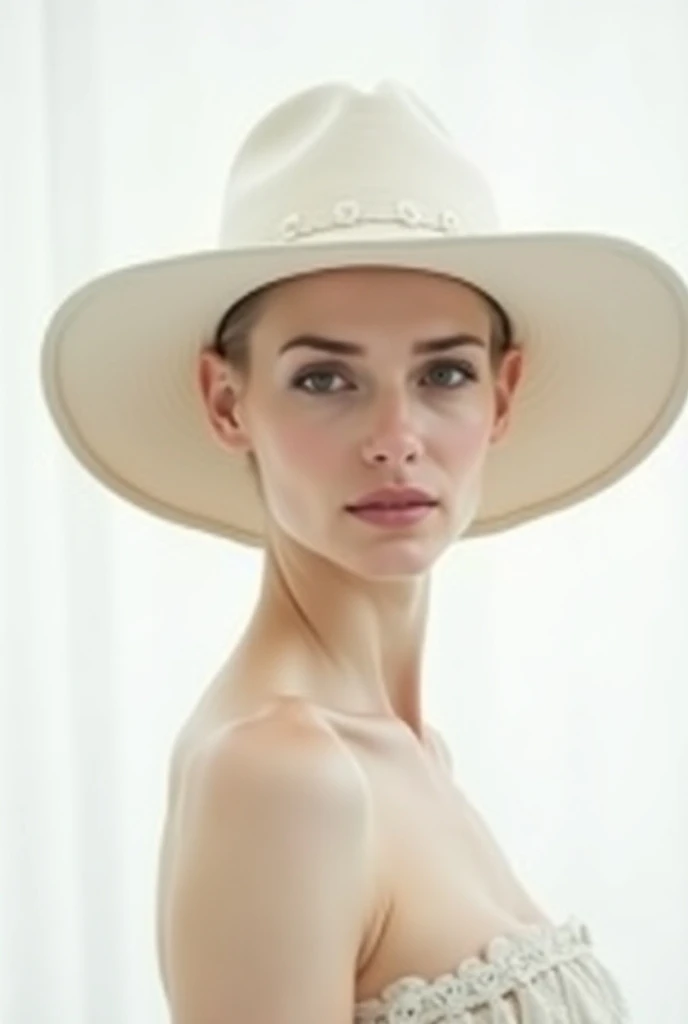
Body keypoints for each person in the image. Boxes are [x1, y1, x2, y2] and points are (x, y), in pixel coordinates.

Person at [40, 80, 688, 1023]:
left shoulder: (414, 753)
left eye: (444, 373)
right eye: (325, 377)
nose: (395, 435)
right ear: (228, 403)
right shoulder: (281, 772)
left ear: (503, 395)